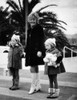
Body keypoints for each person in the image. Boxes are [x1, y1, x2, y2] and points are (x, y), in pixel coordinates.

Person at [25, 12, 45, 94]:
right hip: (30, 51)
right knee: (34, 67)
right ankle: (38, 85)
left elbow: (41, 40)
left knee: (33, 67)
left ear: (37, 20)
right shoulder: (29, 30)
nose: (32, 21)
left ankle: (33, 86)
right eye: (30, 19)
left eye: (34, 19)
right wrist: (25, 51)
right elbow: (28, 42)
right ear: (28, 20)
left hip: (36, 51)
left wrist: (40, 50)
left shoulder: (39, 28)